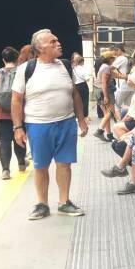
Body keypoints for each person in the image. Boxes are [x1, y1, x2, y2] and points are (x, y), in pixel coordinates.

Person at [11, 28, 88, 220]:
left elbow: (74, 94)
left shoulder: (65, 65)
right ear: (40, 49)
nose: (58, 43)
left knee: (64, 164)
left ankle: (64, 202)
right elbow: (16, 100)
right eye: (52, 42)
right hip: (38, 125)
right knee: (41, 165)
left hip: (66, 123)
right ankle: (42, 204)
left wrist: (81, 119)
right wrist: (18, 128)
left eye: (57, 40)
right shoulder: (26, 69)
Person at [0, 46, 28, 180]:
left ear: (3, 59)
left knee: (4, 141)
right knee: (19, 138)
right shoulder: (22, 72)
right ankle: (21, 163)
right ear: (17, 58)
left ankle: (5, 170)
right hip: (20, 112)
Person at [94, 50, 116, 141]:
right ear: (110, 59)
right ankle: (99, 130)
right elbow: (104, 82)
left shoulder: (104, 66)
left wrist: (125, 77)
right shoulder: (106, 68)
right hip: (104, 91)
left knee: (106, 114)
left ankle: (109, 134)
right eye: (113, 58)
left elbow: (114, 75)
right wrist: (106, 96)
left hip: (98, 90)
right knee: (111, 112)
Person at [71, 53, 90, 125]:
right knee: (84, 101)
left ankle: (76, 117)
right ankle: (84, 117)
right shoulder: (82, 68)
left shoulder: (72, 68)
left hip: (75, 86)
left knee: (76, 101)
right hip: (82, 85)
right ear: (81, 61)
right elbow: (87, 78)